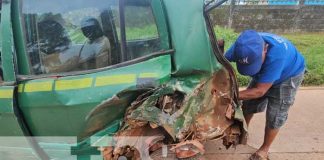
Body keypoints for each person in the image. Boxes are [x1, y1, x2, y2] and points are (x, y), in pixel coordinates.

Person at [224, 30, 305, 160]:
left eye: (253, 64)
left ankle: (264, 149)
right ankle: (243, 132)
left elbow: (259, 91)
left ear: (265, 49)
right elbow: (220, 65)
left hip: (288, 76)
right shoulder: (241, 48)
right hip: (264, 72)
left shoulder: (277, 55)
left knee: (275, 115)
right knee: (248, 105)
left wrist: (227, 95)